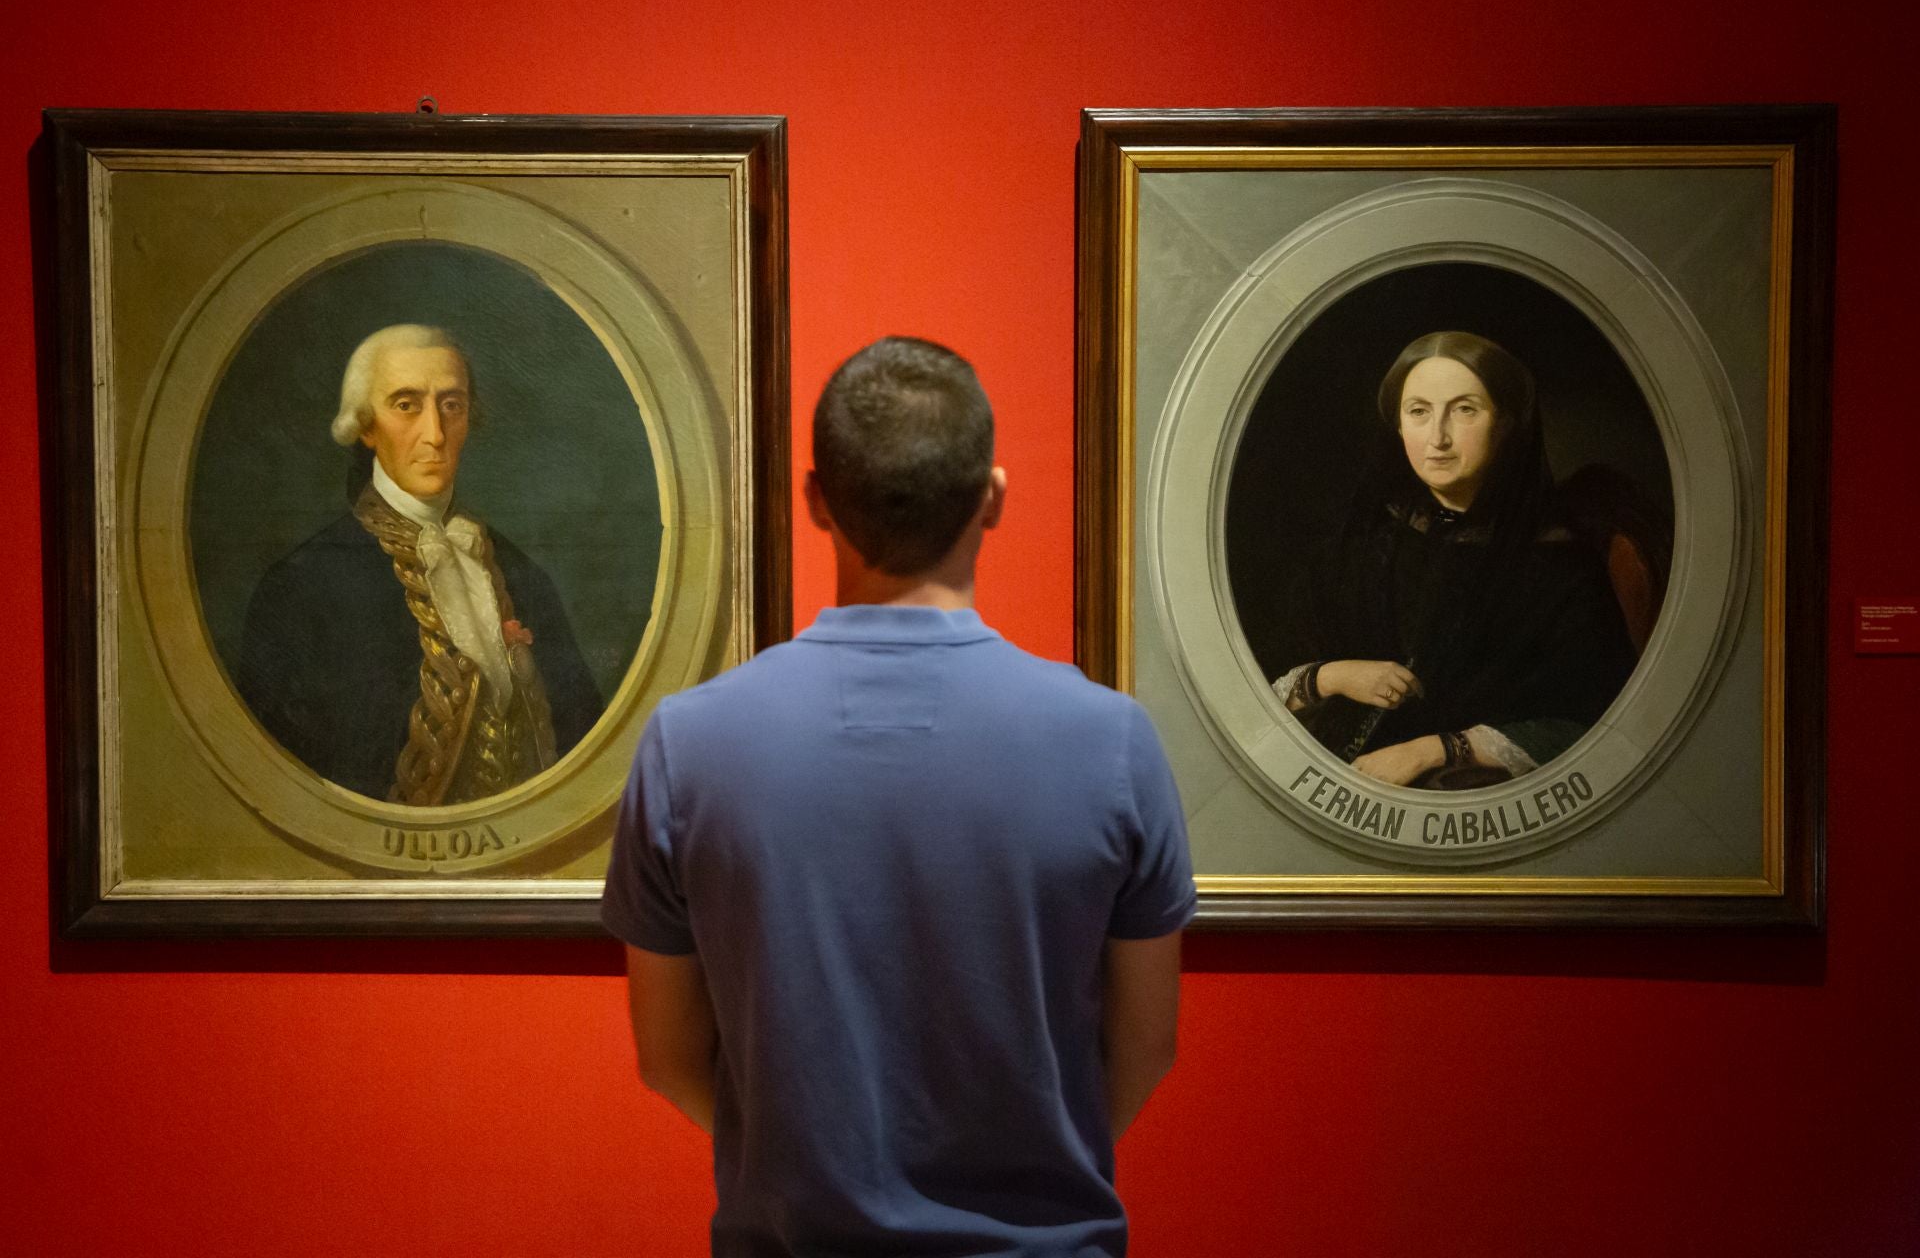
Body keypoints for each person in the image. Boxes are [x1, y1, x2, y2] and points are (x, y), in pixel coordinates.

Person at [601, 336, 1195, 1256]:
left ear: (814, 502)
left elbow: (667, 1056)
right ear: (992, 497)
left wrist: (812, 1162)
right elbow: (1145, 1048)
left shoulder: (691, 744)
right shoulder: (1111, 740)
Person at [237, 324, 602, 804]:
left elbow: (584, 747)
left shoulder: (523, 577)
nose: (435, 434)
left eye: (452, 406)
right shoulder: (302, 588)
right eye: (406, 405)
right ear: (365, 426)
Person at [1269, 330, 1638, 788]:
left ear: (1505, 422)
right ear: (1398, 425)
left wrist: (1437, 750)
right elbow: (1251, 700)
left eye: (1465, 410)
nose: (1438, 437)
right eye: (1419, 412)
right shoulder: (1352, 549)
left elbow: (1596, 727)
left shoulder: (1559, 566)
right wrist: (1333, 676)